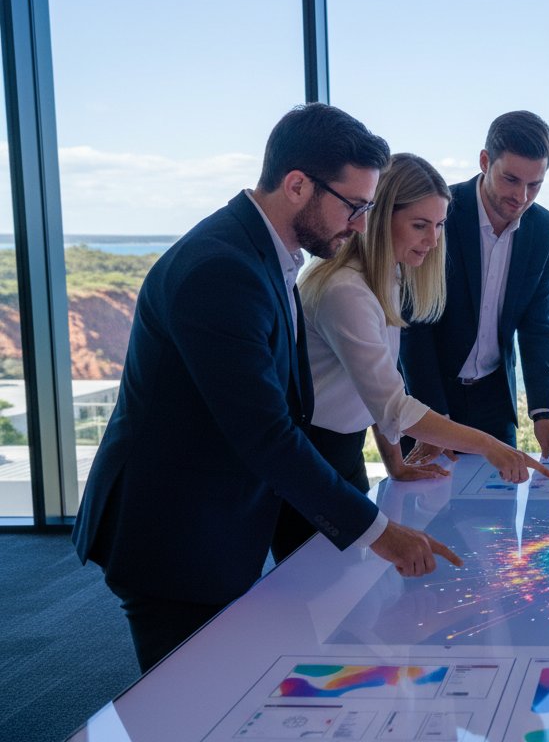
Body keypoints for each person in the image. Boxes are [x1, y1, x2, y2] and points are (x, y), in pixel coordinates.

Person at [72, 104, 464, 673]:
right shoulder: (221, 268)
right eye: (353, 206)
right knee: (191, 704)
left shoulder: (266, 253)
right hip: (173, 534)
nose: (359, 224)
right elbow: (265, 433)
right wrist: (380, 533)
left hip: (214, 521)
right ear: (298, 185)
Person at [270, 153, 549, 562]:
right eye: (420, 225)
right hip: (312, 458)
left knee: (348, 595)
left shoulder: (390, 276)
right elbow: (392, 405)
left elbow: (379, 389)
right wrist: (490, 445)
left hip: (344, 453)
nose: (434, 240)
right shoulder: (345, 291)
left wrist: (396, 463)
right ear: (380, 218)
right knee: (314, 600)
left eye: (439, 226)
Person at [401, 111, 549, 456]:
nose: (521, 196)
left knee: (500, 509)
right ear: (484, 161)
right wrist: (435, 418)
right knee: (424, 507)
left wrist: (543, 414)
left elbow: (538, 326)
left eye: (534, 184)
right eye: (510, 179)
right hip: (428, 401)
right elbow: (413, 324)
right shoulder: (440, 212)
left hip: (495, 403)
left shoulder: (544, 229)